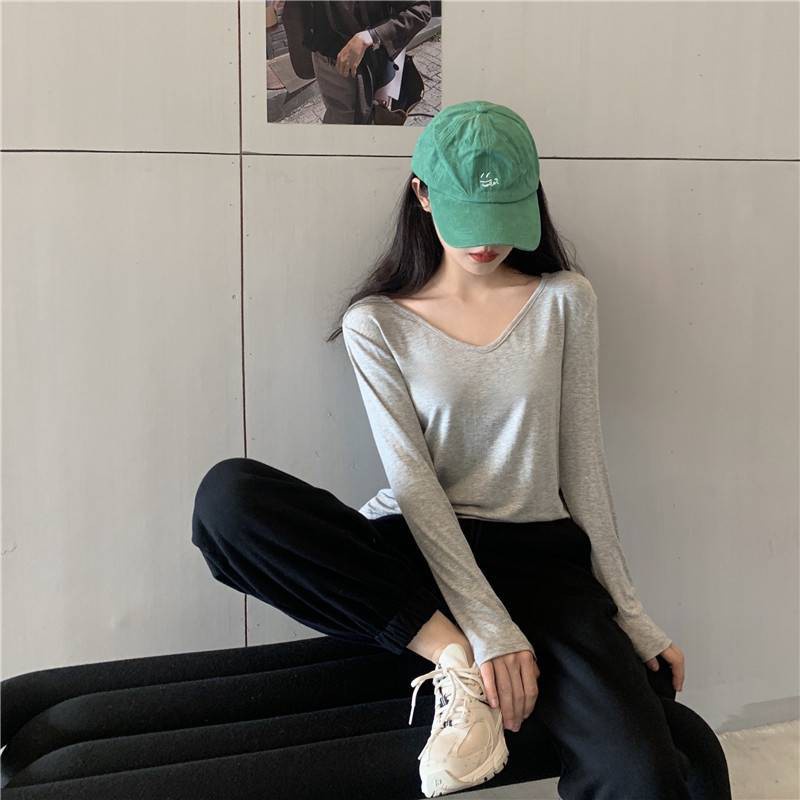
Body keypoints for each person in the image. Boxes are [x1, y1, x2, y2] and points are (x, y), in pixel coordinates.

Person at [191, 100, 732, 798]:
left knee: (646, 773)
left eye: (504, 217)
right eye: (468, 218)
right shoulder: (376, 323)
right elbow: (413, 485)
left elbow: (583, 469)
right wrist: (477, 634)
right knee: (229, 499)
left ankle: (463, 651)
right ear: (421, 194)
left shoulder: (566, 300)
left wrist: (630, 612)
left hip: (540, 562)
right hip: (414, 552)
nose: (486, 243)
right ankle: (449, 661)